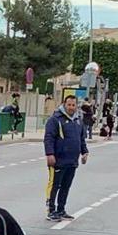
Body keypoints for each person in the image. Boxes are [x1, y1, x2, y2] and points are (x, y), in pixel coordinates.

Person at [43, 93, 89, 223]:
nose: (71, 107)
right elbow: (49, 138)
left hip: (72, 161)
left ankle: (61, 209)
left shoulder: (78, 120)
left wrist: (84, 152)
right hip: (58, 160)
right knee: (54, 185)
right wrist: (50, 154)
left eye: (73, 105)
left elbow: (81, 139)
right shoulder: (55, 119)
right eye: (69, 104)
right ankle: (51, 210)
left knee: (66, 186)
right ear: (64, 104)